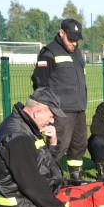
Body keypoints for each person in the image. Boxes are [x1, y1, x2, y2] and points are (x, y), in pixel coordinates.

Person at [0, 88, 84, 207]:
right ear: (38, 111)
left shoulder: (26, 126)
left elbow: (41, 165)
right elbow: (32, 185)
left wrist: (52, 143)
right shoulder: (17, 136)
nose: (52, 120)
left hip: (31, 200)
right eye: (51, 114)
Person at [32, 18, 88, 183]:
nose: (74, 43)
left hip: (78, 107)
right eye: (71, 39)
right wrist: (47, 109)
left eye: (77, 39)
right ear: (61, 32)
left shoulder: (77, 52)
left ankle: (75, 175)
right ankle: (46, 177)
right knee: (58, 145)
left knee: (79, 144)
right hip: (60, 109)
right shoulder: (49, 52)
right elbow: (39, 83)